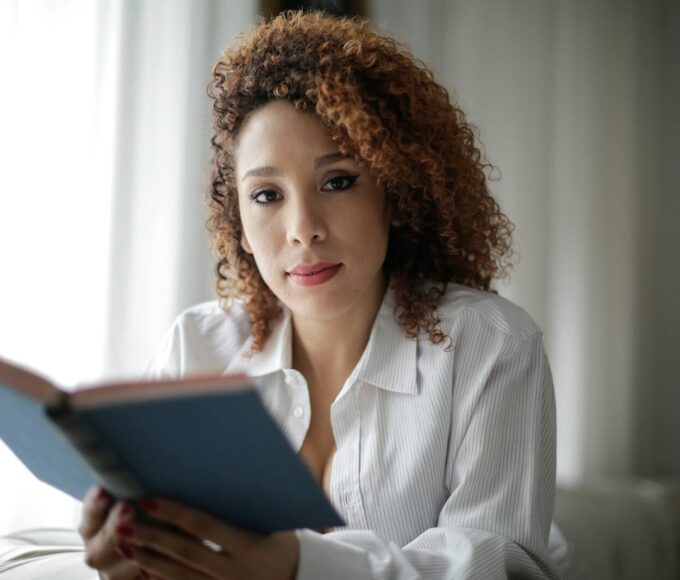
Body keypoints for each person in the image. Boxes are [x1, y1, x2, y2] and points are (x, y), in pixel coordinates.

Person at [79, 10, 564, 580]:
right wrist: (128, 549)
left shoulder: (491, 345)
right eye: (266, 195)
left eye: (337, 181)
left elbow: (499, 563)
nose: (302, 228)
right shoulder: (196, 346)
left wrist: (297, 564)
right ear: (235, 214)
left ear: (395, 190)